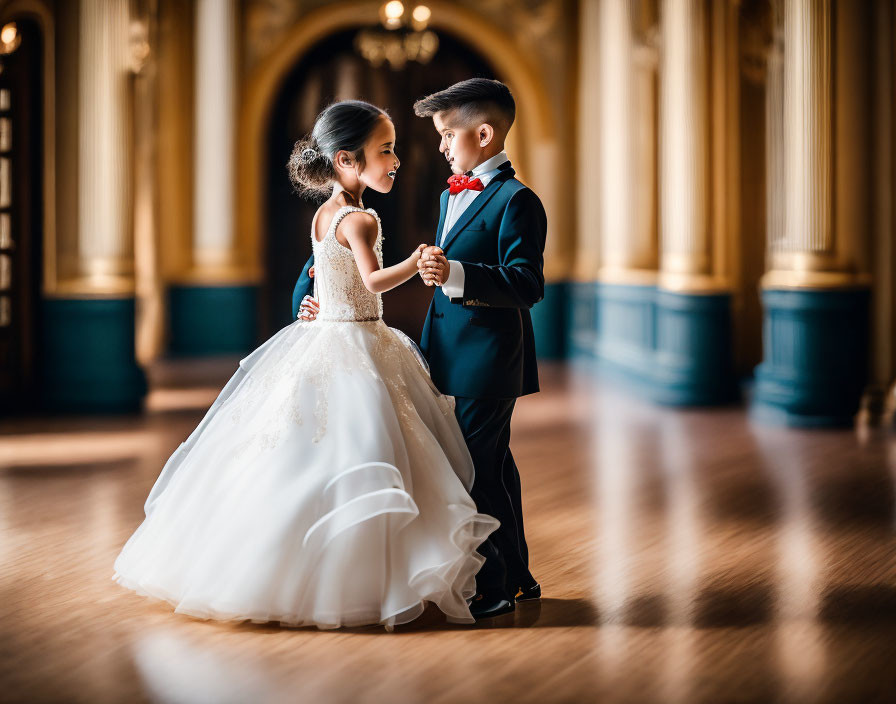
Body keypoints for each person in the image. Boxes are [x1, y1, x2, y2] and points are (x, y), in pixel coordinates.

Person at [113, 100, 499, 631]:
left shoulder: (324, 213)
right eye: (385, 150)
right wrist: (414, 263)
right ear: (345, 159)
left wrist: (319, 300)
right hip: (355, 341)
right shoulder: (361, 218)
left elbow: (327, 273)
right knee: (364, 450)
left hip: (324, 338)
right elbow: (371, 281)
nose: (396, 160)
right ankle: (362, 579)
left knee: (314, 452)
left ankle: (301, 570)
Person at [296, 79, 547, 620]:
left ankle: (495, 585)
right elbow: (325, 259)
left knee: (474, 468)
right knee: (494, 466)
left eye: (445, 134)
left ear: (482, 134)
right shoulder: (445, 193)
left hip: (489, 361)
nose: (437, 147)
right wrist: (307, 300)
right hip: (445, 352)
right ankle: (519, 575)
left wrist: (454, 272)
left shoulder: (518, 200)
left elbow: (527, 284)